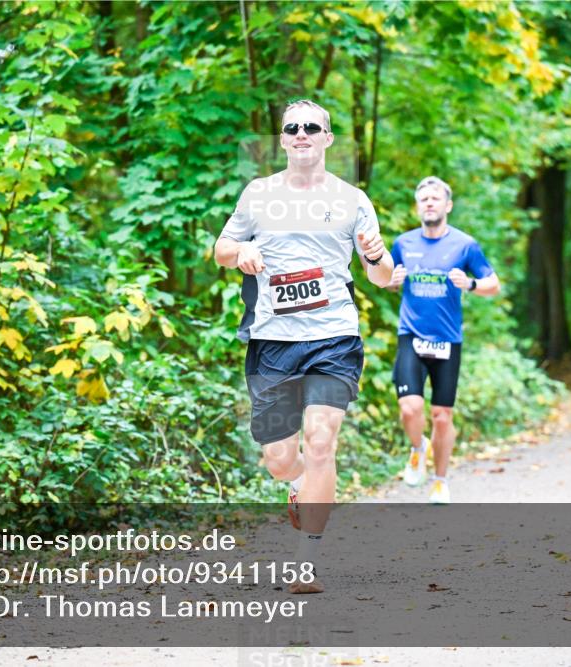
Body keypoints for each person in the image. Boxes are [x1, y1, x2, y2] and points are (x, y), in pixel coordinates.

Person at [214, 99, 392, 593]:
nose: (301, 134)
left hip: (334, 335)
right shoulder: (259, 193)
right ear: (283, 138)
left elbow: (381, 277)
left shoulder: (353, 199)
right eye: (292, 127)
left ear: (328, 139)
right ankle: (295, 486)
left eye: (312, 127)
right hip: (273, 340)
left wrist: (377, 257)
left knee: (320, 440)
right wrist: (242, 251)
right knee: (279, 457)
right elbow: (221, 250)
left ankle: (306, 559)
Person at [386, 176, 499, 504]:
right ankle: (418, 448)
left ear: (447, 205)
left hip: (447, 338)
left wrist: (472, 285)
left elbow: (494, 283)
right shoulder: (403, 244)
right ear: (418, 206)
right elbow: (388, 280)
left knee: (441, 415)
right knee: (410, 407)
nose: (430, 203)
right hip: (411, 334)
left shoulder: (465, 245)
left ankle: (440, 480)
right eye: (424, 199)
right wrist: (391, 281)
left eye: (436, 198)